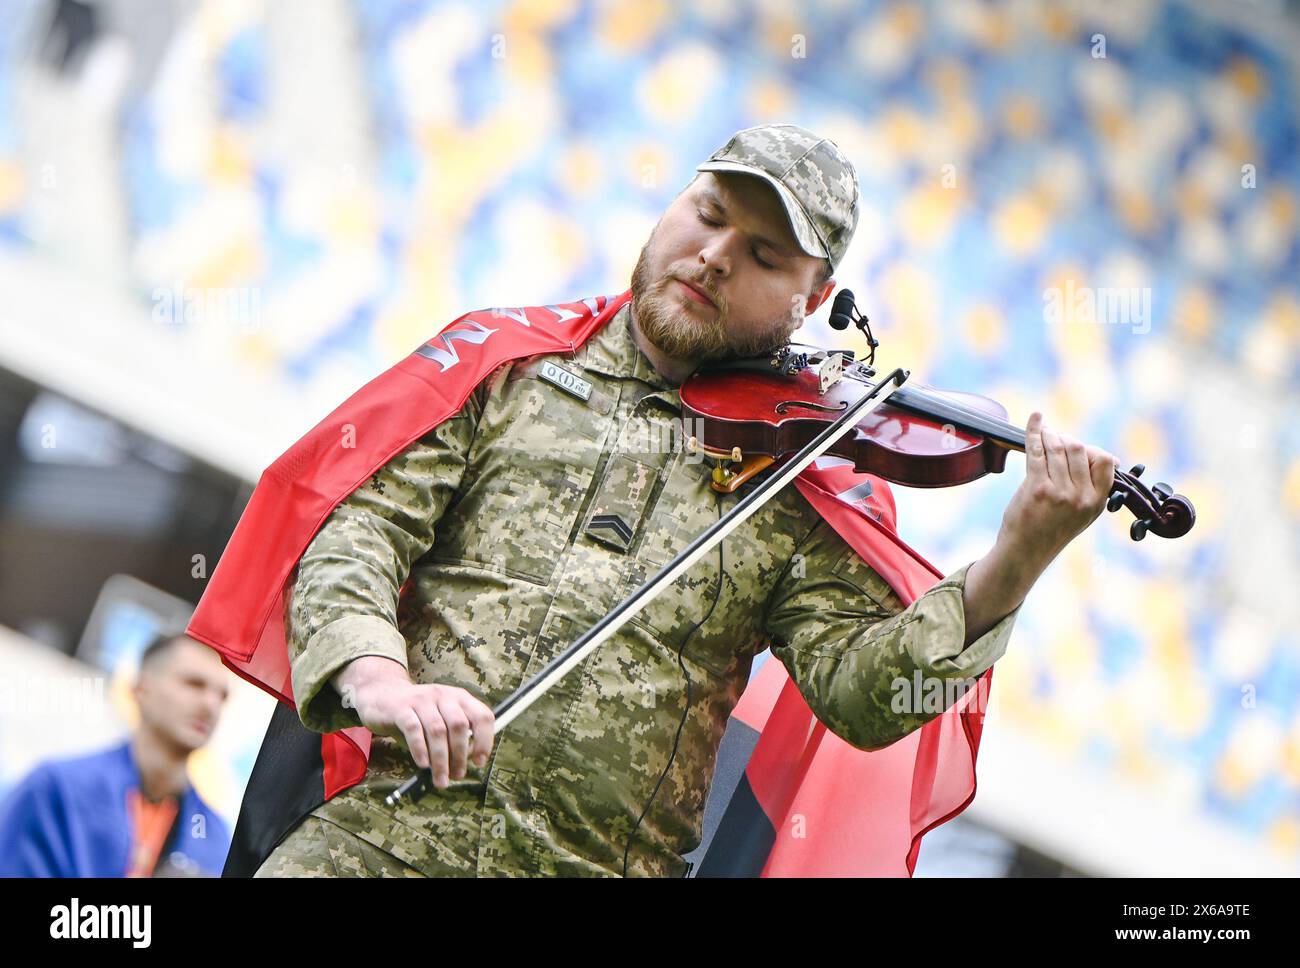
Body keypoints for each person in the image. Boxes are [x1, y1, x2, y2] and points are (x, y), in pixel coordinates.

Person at [252, 122, 1117, 877]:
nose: (714, 257)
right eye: (708, 216)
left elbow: (867, 700)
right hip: (378, 841)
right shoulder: (509, 366)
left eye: (763, 257)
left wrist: (1017, 559)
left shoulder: (801, 475)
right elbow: (361, 528)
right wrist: (378, 676)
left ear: (813, 302)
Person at [0, 632, 232, 876]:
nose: (211, 705)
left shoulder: (214, 839)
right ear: (141, 689)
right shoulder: (56, 789)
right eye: (194, 684)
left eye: (222, 696)